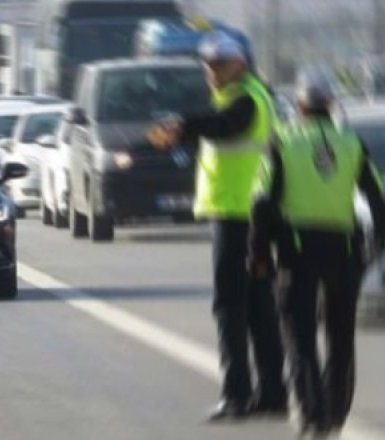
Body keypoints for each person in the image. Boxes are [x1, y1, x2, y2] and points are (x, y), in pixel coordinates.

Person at [147, 32, 287, 421]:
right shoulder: (247, 95)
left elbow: (227, 126)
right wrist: (184, 130)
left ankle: (237, 395)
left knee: (230, 306)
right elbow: (220, 130)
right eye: (207, 64)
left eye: (219, 64)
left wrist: (183, 125)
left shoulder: (248, 99)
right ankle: (273, 392)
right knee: (259, 305)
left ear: (240, 64)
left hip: (238, 215)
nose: (211, 71)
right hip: (249, 215)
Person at [248, 72, 385, 437]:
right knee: (341, 336)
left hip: (297, 250)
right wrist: (376, 243)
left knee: (299, 335)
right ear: (331, 105)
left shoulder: (282, 141)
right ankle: (334, 414)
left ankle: (311, 413)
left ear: (298, 106)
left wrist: (259, 252)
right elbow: (382, 199)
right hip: (343, 249)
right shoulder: (351, 143)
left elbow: (263, 202)